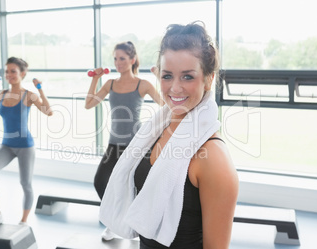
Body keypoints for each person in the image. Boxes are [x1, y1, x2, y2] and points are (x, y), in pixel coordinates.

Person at [99, 22, 238, 249]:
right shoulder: (156, 131)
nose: (174, 88)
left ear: (209, 79)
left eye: (187, 77)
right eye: (167, 76)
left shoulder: (213, 158)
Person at [85, 41, 164, 240]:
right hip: (114, 143)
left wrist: (159, 77)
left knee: (138, 185)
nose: (118, 63)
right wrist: (95, 79)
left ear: (132, 59)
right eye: (115, 59)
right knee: (100, 181)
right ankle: (115, 222)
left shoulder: (142, 84)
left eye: (122, 58)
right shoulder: (110, 83)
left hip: (135, 144)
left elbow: (165, 104)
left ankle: (136, 224)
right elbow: (89, 104)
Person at [0, 57, 53, 230]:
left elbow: (49, 112)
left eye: (13, 71)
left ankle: (24, 221)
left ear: (22, 74)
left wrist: (40, 89)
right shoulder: (3, 94)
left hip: (25, 146)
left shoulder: (29, 95)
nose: (9, 74)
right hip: (7, 145)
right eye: (7, 71)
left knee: (25, 183)